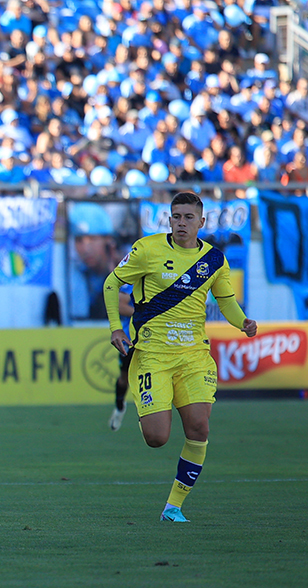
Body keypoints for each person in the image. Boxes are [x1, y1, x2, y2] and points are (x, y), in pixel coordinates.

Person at [103, 192, 257, 522]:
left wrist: (241, 321)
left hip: (194, 356)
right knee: (157, 438)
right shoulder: (147, 250)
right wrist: (117, 328)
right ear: (169, 220)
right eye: (176, 217)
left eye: (188, 217)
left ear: (202, 222)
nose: (181, 223)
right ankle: (141, 406)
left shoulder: (214, 261)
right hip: (152, 356)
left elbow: (226, 301)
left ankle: (173, 507)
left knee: (199, 428)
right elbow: (111, 284)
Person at [108, 284, 134, 432]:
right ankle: (119, 406)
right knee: (125, 377)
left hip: (152, 339)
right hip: (129, 339)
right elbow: (120, 305)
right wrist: (143, 314)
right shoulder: (130, 285)